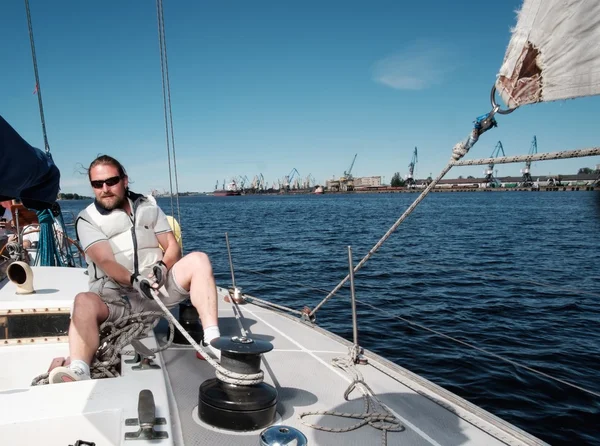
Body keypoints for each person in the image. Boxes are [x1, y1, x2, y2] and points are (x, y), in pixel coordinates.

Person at [49, 155, 221, 383]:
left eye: (111, 181)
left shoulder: (149, 207)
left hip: (157, 293)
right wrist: (134, 280)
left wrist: (162, 266)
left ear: (124, 180)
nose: (105, 189)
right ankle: (80, 367)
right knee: (83, 301)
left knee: (199, 260)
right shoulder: (86, 219)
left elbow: (172, 246)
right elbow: (106, 262)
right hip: (117, 299)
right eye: (97, 184)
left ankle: (212, 341)